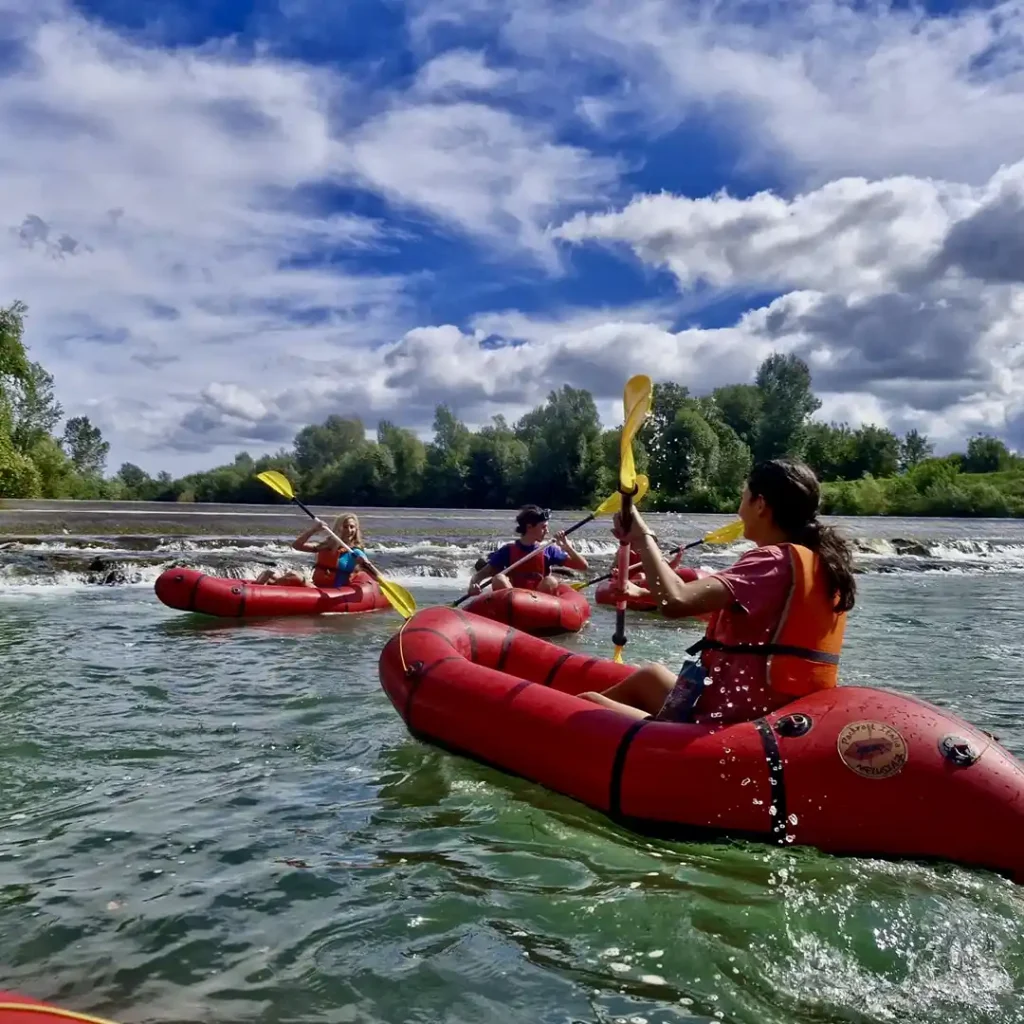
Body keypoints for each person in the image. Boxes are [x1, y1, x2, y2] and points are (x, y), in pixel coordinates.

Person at [580, 458, 856, 726]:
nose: (739, 510)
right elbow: (749, 623)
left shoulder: (770, 560)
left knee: (587, 702)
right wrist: (641, 595)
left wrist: (642, 537)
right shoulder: (815, 562)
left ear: (760, 504)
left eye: (743, 496)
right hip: (774, 716)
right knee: (649, 677)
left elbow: (675, 601)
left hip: (731, 723)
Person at [467, 504, 589, 597]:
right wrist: (473, 585)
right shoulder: (508, 550)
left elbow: (583, 566)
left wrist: (568, 547)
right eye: (543, 527)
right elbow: (480, 575)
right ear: (529, 527)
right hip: (513, 599)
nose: (547, 531)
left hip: (540, 600)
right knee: (498, 578)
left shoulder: (549, 550)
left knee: (550, 580)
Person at [256, 513, 369, 589]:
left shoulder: (356, 551)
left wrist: (363, 563)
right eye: (345, 527)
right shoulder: (327, 545)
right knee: (270, 574)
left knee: (294, 575)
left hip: (333, 591)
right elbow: (297, 546)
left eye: (352, 527)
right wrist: (314, 530)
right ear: (338, 528)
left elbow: (373, 572)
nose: (349, 530)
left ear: (356, 529)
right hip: (316, 587)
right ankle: (263, 588)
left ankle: (264, 589)